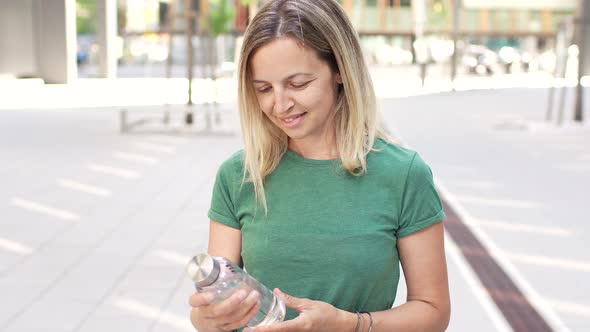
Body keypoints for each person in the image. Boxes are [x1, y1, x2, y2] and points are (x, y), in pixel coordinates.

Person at [189, 0, 450, 331]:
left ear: (340, 70)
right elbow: (218, 303)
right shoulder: (238, 175)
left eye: (298, 84)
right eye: (264, 89)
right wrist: (206, 317)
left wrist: (350, 325)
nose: (280, 104)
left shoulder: (403, 174)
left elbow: (433, 311)